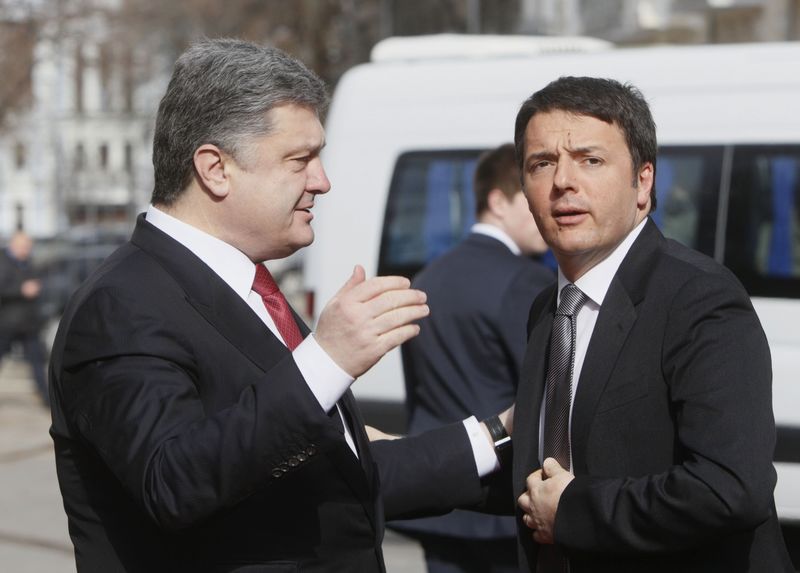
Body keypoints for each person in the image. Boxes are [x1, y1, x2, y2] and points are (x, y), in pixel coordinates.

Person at [48, 38, 511, 573]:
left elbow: (333, 474)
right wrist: (328, 359)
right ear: (215, 169)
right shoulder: (122, 305)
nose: (322, 181)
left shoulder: (242, 286)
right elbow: (174, 480)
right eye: (300, 159)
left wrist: (497, 435)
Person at [510, 77, 794, 572]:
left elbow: (729, 487)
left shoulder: (699, 298)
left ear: (643, 183)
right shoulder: (548, 307)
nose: (562, 182)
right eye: (543, 163)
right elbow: (553, 471)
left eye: (590, 160)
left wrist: (575, 511)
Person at [395, 143, 553, 573]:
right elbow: (545, 391)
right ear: (498, 201)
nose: (547, 207)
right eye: (531, 195)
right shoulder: (526, 280)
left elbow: (419, 389)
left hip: (437, 494)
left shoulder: (430, 277)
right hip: (498, 505)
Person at [0, 230, 48, 406]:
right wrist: (21, 290)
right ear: (14, 245)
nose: (26, 249)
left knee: (37, 363)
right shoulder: (3, 262)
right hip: (7, 323)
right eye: (23, 246)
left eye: (28, 246)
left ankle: (47, 399)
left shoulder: (28, 262)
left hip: (28, 324)